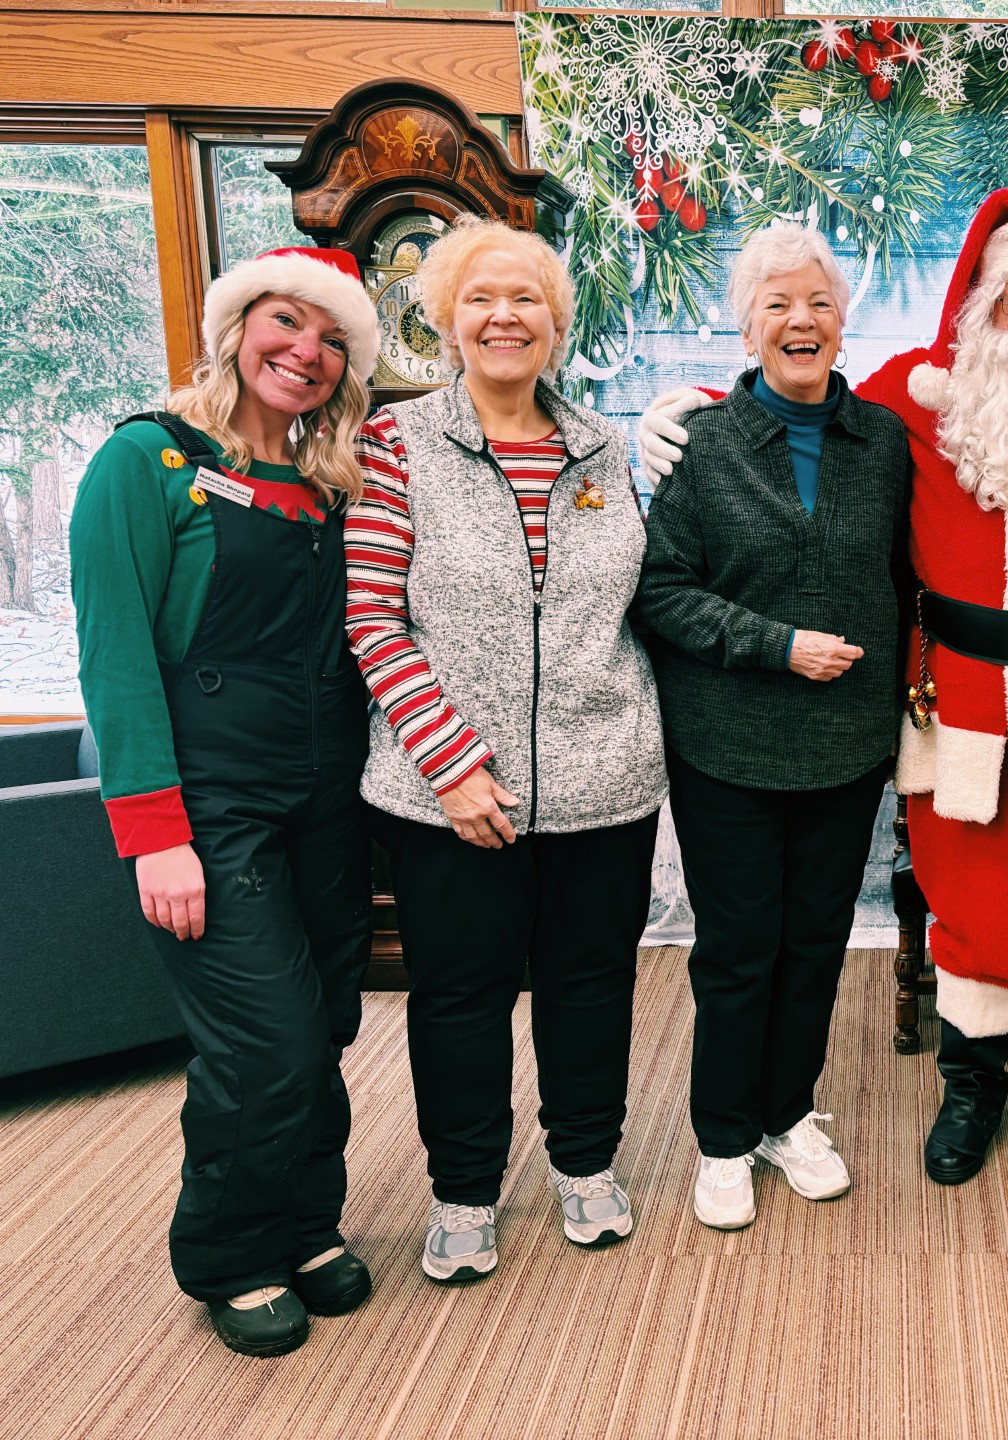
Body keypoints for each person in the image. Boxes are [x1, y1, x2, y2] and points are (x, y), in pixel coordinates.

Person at [643, 191, 1008, 1190]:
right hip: (973, 709)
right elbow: (795, 404)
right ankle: (972, 1083)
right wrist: (682, 414)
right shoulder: (919, 400)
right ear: (982, 307)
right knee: (982, 901)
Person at [70, 246, 381, 1356]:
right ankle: (226, 1252)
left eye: (333, 337)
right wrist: (155, 838)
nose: (306, 351)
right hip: (211, 810)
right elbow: (112, 658)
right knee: (270, 1042)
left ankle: (303, 1224)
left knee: (330, 1024)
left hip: (326, 803)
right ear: (236, 325)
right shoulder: (146, 461)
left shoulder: (329, 481)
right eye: (287, 324)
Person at [345, 216, 665, 1284]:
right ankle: (466, 1191)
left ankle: (584, 1165)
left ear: (556, 323)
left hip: (603, 778)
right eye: (481, 298)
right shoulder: (398, 446)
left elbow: (633, 601)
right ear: (445, 319)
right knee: (461, 997)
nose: (503, 316)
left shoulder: (602, 447)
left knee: (591, 987)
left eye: (526, 297)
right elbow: (374, 620)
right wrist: (452, 764)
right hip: (447, 792)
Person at [634, 223, 909, 1230]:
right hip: (728, 749)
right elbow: (658, 591)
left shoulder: (882, 442)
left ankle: (787, 1114)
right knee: (741, 946)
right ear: (746, 325)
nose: (801, 320)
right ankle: (721, 1136)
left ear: (843, 322)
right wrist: (775, 644)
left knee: (817, 944)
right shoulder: (699, 446)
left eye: (819, 303)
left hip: (845, 747)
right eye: (777, 304)